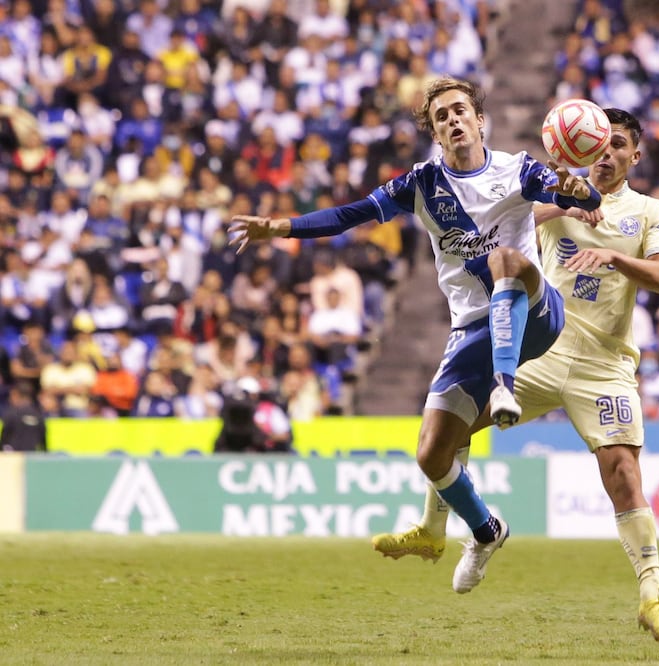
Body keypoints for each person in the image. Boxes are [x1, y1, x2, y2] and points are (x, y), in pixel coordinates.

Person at [228, 76, 600, 593]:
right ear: (435, 133)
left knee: (506, 259)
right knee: (431, 455)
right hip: (472, 328)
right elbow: (348, 215)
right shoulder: (421, 184)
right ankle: (486, 531)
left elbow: (576, 193)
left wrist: (580, 190)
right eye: (442, 116)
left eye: (460, 110)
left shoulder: (518, 169)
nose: (453, 119)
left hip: (536, 312)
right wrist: (280, 227)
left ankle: (504, 386)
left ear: (479, 120)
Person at [372, 109, 659, 641]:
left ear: (635, 155)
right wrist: (566, 199)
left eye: (618, 145)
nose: (607, 154)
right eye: (600, 144)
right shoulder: (556, 191)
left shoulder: (649, 211)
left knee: (623, 473)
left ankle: (652, 597)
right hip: (541, 348)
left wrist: (612, 256)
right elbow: (505, 219)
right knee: (452, 427)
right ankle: (437, 530)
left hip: (604, 364)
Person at [0, 382, 47, 452]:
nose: (10, 399)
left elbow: (4, 439)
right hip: (33, 455)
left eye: (11, 395)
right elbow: (43, 441)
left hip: (14, 456)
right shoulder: (38, 415)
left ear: (16, 395)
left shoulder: (11, 414)